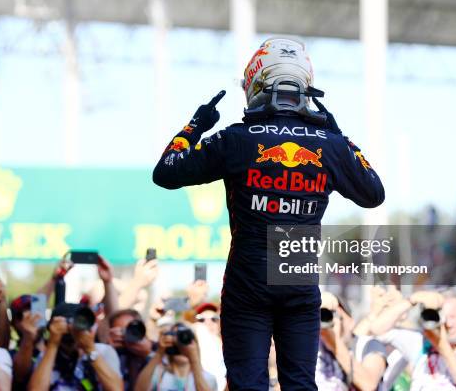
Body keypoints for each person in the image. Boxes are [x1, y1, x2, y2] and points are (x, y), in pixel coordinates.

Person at [152, 36, 385, 389]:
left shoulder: (237, 138)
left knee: (247, 385)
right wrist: (341, 137)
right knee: (300, 385)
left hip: (247, 281)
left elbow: (166, 171)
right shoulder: (331, 145)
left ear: (256, 84)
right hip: (298, 278)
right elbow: (374, 193)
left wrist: (196, 124)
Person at [370, 291, 456, 390]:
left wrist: (443, 347)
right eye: (444, 318)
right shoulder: (422, 342)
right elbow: (377, 329)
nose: (449, 324)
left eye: (453, 317)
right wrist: (412, 299)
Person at [28, 303, 123, 391]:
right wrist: (53, 345)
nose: (72, 330)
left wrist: (90, 349)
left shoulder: (104, 351)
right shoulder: (47, 355)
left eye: (79, 323)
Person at [316, 292, 387, 391]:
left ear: (351, 322)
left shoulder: (368, 345)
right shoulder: (316, 346)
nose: (330, 319)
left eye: (335, 314)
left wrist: (334, 342)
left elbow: (368, 385)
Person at [134, 322, 216, 391]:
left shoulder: (208, 379)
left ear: (195, 344)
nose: (180, 346)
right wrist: (159, 352)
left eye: (184, 340)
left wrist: (194, 360)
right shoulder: (158, 373)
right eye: (175, 340)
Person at [107, 309, 155, 391]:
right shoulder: (108, 353)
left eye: (131, 329)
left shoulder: (156, 349)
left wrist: (149, 355)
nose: (128, 335)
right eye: (122, 331)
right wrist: (108, 351)